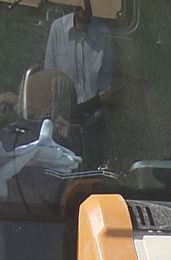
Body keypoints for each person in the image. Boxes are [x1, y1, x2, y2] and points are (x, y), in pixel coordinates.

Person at [43, 0, 113, 164]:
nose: (84, 6)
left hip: (93, 121)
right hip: (63, 119)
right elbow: (50, 76)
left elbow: (107, 82)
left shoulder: (104, 34)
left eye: (89, 2)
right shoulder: (57, 29)